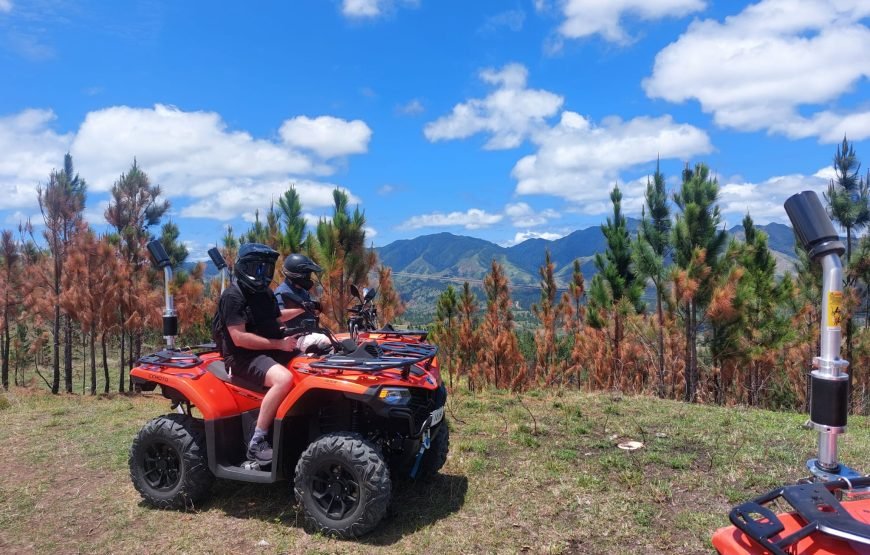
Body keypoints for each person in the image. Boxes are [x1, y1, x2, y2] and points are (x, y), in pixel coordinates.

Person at [217, 243, 304, 467]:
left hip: (268, 349)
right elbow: (239, 337)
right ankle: (257, 440)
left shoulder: (265, 293)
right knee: (283, 379)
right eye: (257, 268)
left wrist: (303, 309)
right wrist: (279, 344)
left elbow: (276, 318)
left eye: (266, 269)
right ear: (243, 267)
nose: (262, 274)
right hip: (242, 357)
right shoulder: (232, 296)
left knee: (309, 364)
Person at [274, 253, 333, 354]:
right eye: (307, 274)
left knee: (338, 342)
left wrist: (315, 308)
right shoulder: (283, 292)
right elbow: (279, 316)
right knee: (326, 341)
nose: (309, 278)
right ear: (298, 275)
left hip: (310, 333)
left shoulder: (302, 291)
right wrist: (303, 308)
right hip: (294, 338)